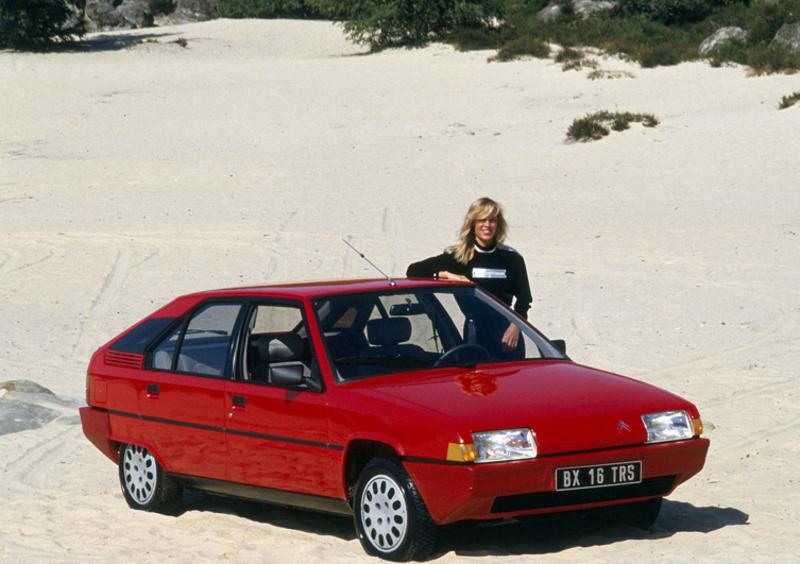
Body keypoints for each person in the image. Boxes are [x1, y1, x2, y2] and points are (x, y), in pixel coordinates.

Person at [406, 197, 532, 353]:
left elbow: (524, 299)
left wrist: (515, 327)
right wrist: (445, 274)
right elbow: (413, 270)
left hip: (508, 337)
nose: (487, 225)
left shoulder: (512, 258)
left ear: (498, 224)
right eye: (481, 220)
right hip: (475, 335)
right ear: (473, 223)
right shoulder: (460, 257)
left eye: (492, 220)